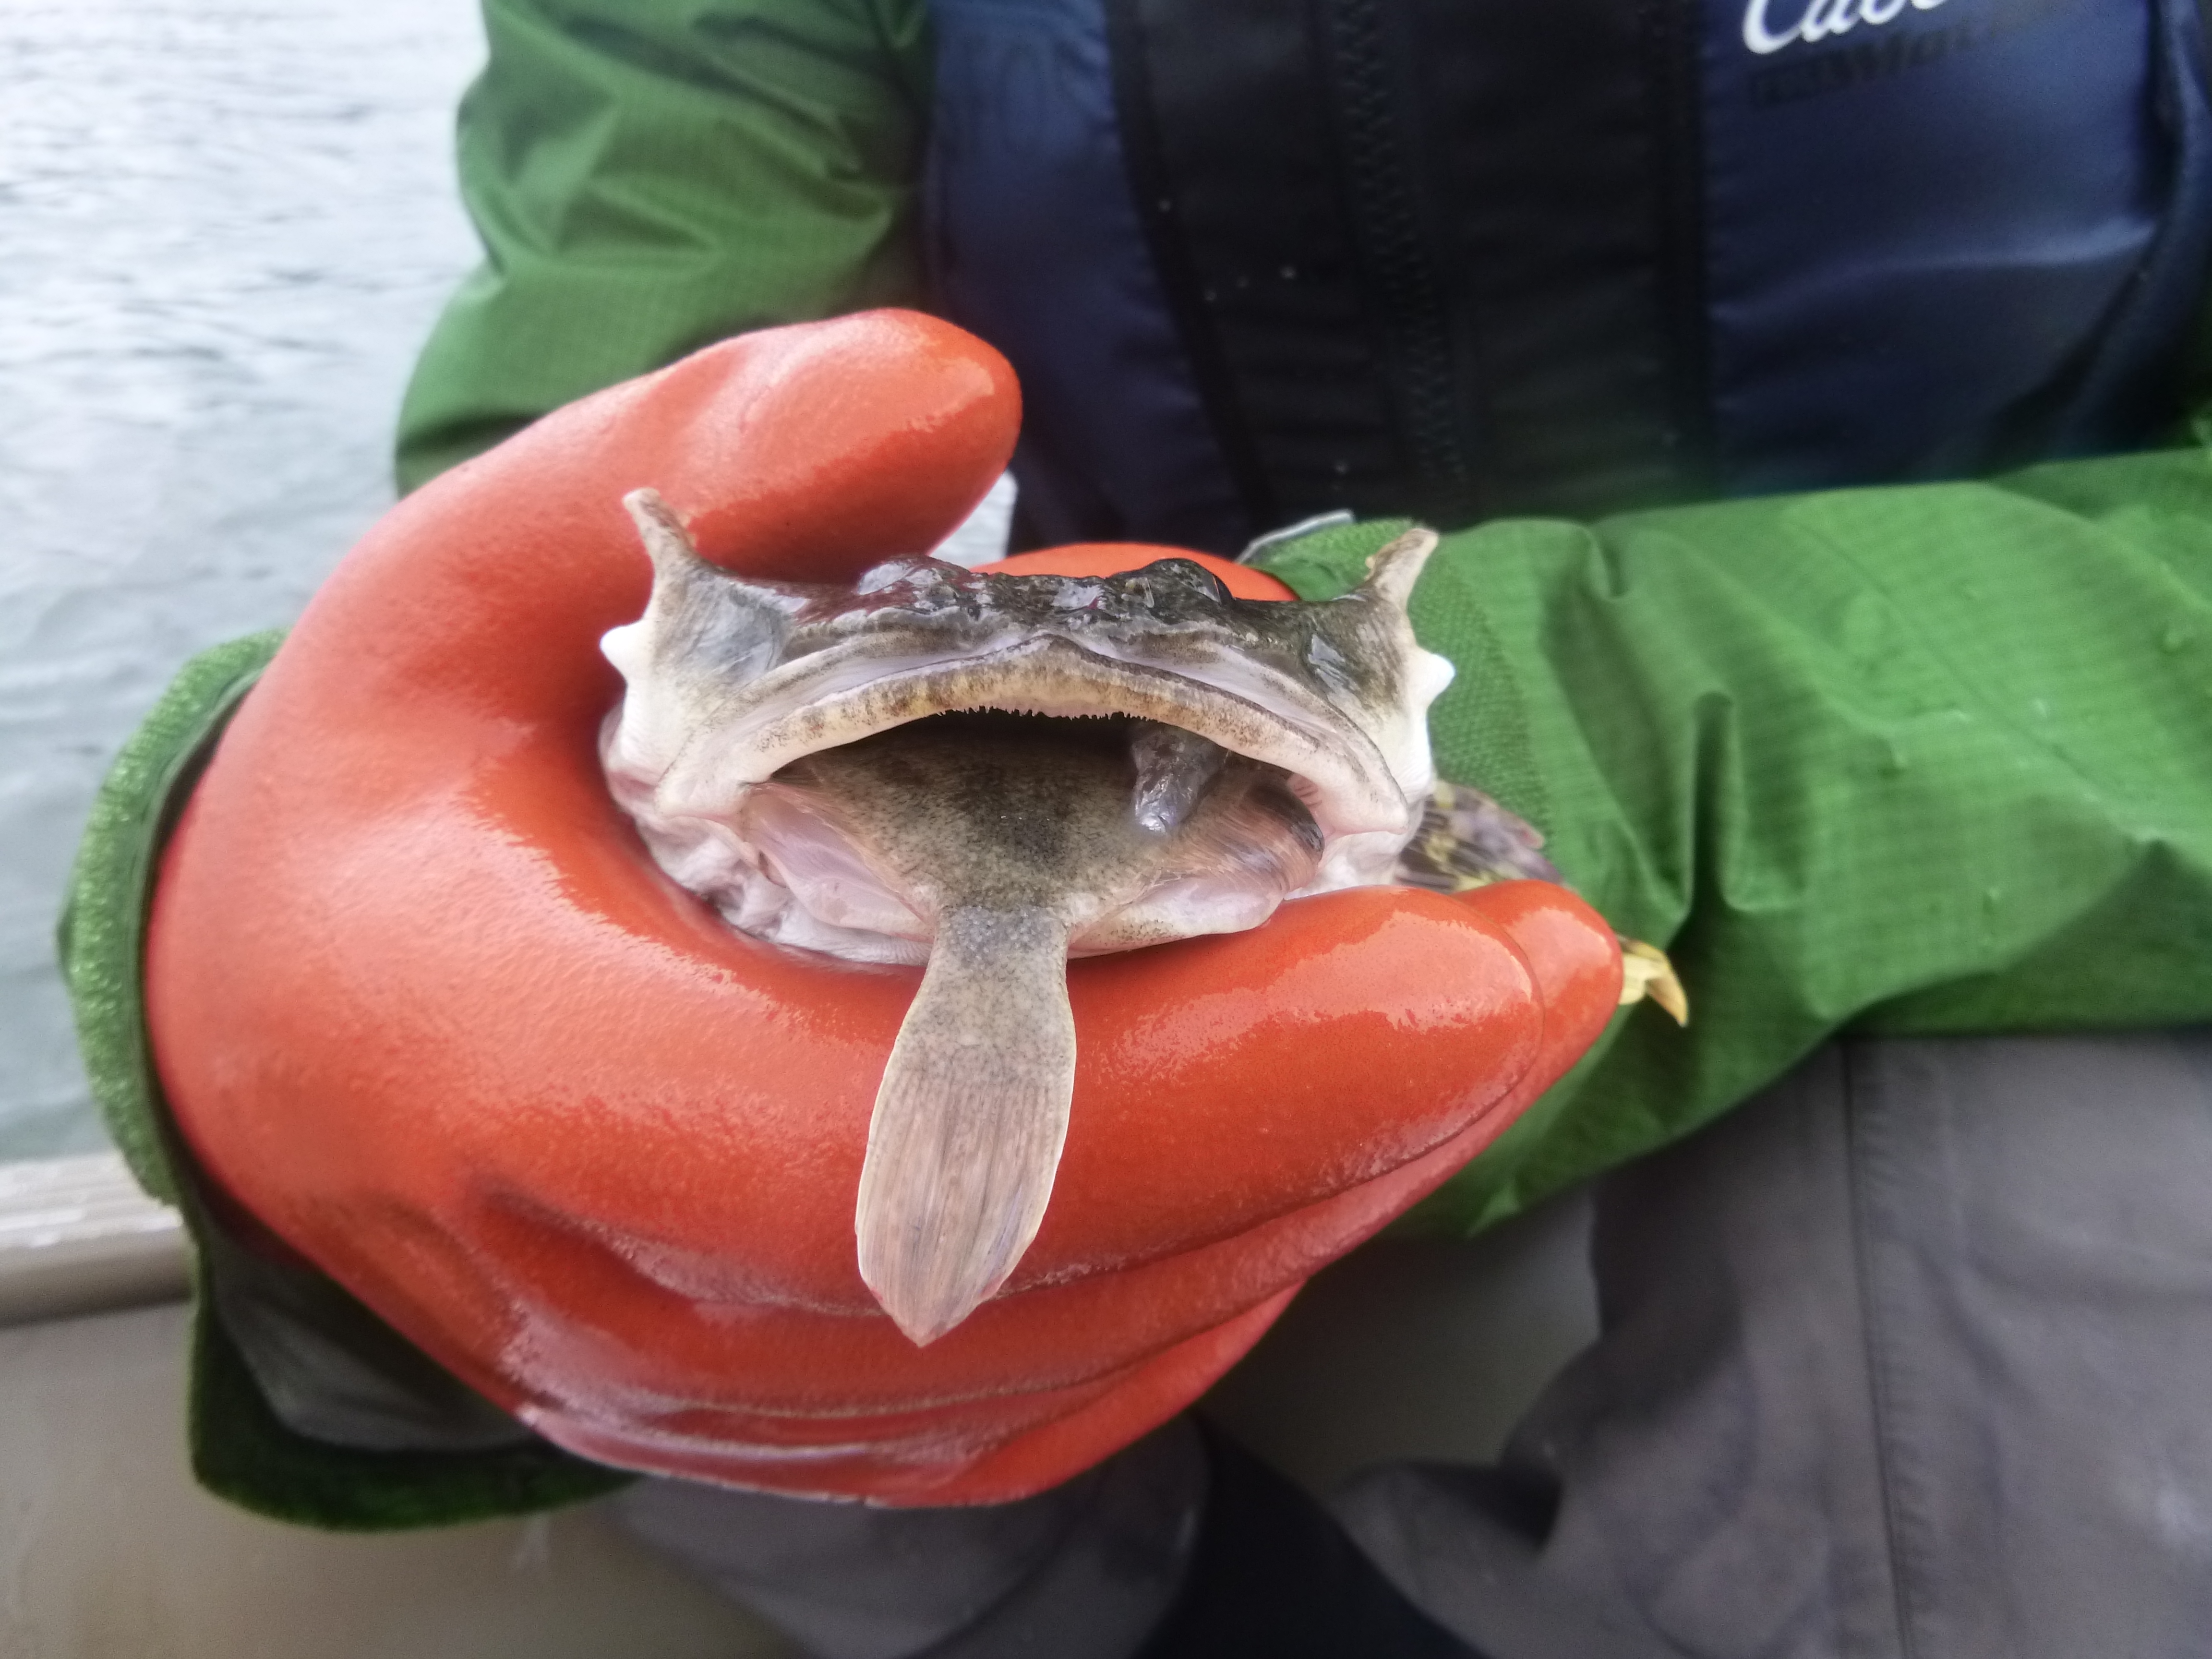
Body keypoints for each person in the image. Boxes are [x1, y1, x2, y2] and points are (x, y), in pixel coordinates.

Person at [383, 0, 2212, 1652]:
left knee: (2028, 1419)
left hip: (2012, 806)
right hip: (1181, 748)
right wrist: (258, 829)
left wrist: (1590, 747)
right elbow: (598, 467)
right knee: (540, 1247)